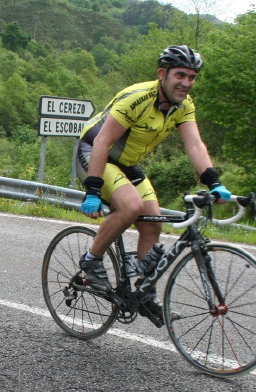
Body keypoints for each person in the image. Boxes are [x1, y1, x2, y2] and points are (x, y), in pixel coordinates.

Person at [74, 45, 231, 325]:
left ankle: (145, 295)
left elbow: (194, 144)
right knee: (131, 207)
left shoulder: (184, 106)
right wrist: (94, 191)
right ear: (163, 74)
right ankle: (91, 259)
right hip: (95, 154)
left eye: (192, 77)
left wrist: (214, 181)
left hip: (127, 163)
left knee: (153, 221)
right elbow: (102, 142)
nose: (186, 83)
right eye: (180, 75)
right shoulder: (137, 98)